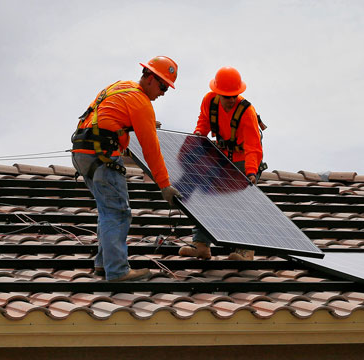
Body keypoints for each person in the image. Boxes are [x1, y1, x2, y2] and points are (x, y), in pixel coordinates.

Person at [71, 56, 181, 281]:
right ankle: (118, 270)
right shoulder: (141, 103)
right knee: (118, 212)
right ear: (149, 78)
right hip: (103, 157)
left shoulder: (121, 86)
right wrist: (165, 185)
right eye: (162, 86)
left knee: (106, 210)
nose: (162, 93)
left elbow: (105, 117)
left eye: (167, 89)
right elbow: (151, 151)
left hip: (82, 152)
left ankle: (103, 264)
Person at [179, 66, 264, 261]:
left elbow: (253, 147)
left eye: (235, 95)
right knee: (206, 196)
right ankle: (200, 245)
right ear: (217, 93)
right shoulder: (209, 101)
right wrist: (198, 138)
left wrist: (251, 172)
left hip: (244, 160)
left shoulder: (247, 112)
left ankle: (245, 250)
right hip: (222, 157)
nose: (232, 100)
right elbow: (203, 123)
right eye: (227, 96)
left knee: (242, 202)